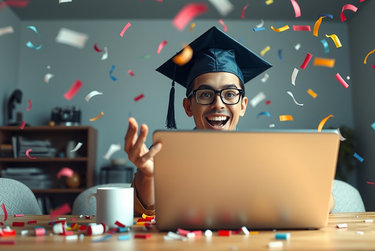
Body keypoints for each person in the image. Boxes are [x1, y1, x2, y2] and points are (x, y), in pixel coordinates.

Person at [124, 26, 334, 216]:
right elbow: (142, 210)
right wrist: (149, 177)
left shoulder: (267, 153)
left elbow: (326, 202)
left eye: (230, 94)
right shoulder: (163, 153)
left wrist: (297, 181)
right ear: (188, 106)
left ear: (242, 106)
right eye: (206, 94)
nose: (218, 104)